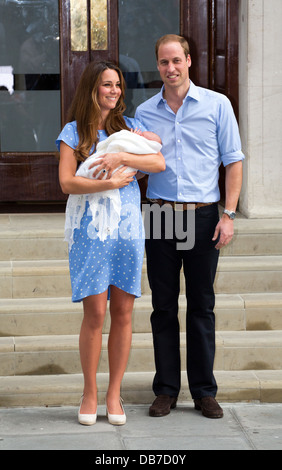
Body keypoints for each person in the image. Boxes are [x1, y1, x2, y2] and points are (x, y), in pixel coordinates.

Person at [134, 34, 245, 419]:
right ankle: (165, 389)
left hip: (202, 214)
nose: (170, 68)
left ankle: (203, 391)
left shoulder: (217, 105)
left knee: (202, 306)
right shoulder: (145, 111)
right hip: (161, 215)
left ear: (189, 61)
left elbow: (233, 162)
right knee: (163, 306)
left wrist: (227, 215)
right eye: (163, 62)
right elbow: (136, 165)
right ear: (158, 66)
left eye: (176, 60)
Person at [57, 61, 165, 426]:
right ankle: (89, 392)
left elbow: (159, 161)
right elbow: (67, 183)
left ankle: (113, 394)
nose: (115, 91)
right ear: (93, 88)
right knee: (95, 314)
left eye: (118, 85)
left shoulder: (130, 128)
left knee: (122, 313)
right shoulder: (73, 133)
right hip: (89, 232)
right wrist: (109, 183)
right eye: (107, 85)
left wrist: (121, 157)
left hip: (127, 229)